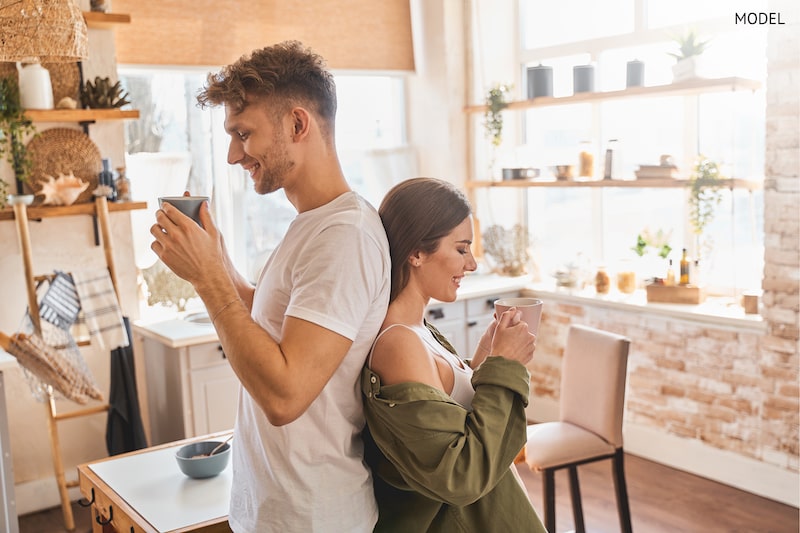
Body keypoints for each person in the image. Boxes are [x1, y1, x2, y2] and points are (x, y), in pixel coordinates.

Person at [150, 41, 391, 532]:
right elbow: (274, 325)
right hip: (277, 511)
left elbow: (285, 395)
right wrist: (215, 261)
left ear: (297, 125)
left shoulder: (345, 235)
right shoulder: (313, 224)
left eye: (243, 133)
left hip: (315, 518)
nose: (234, 154)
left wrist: (209, 280)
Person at [362, 177, 546, 532]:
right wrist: (504, 367)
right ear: (416, 252)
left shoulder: (420, 330)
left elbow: (448, 420)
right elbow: (459, 474)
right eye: (461, 249)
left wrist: (484, 361)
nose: (473, 264)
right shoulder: (398, 345)